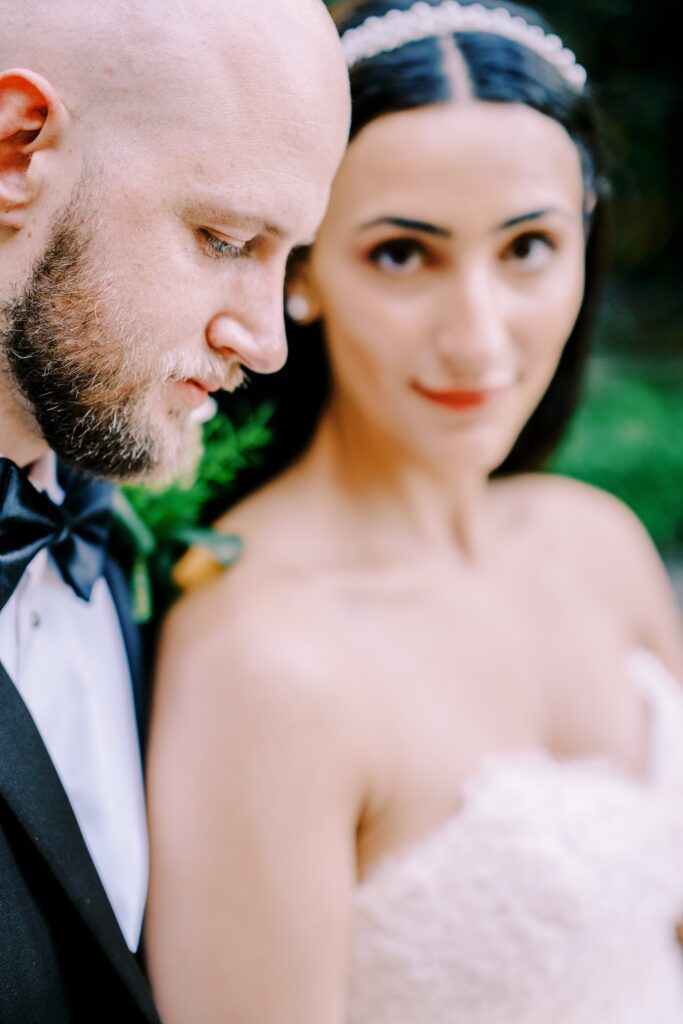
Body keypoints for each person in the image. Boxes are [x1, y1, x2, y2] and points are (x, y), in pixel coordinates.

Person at [147, 1, 683, 1021]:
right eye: (402, 254)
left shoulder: (596, 541)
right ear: (300, 272)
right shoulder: (262, 657)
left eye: (525, 248)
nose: (476, 339)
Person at [0, 0, 350, 1019]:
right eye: (223, 237)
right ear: (18, 151)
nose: (266, 338)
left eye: (287, 259)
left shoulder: (122, 549)